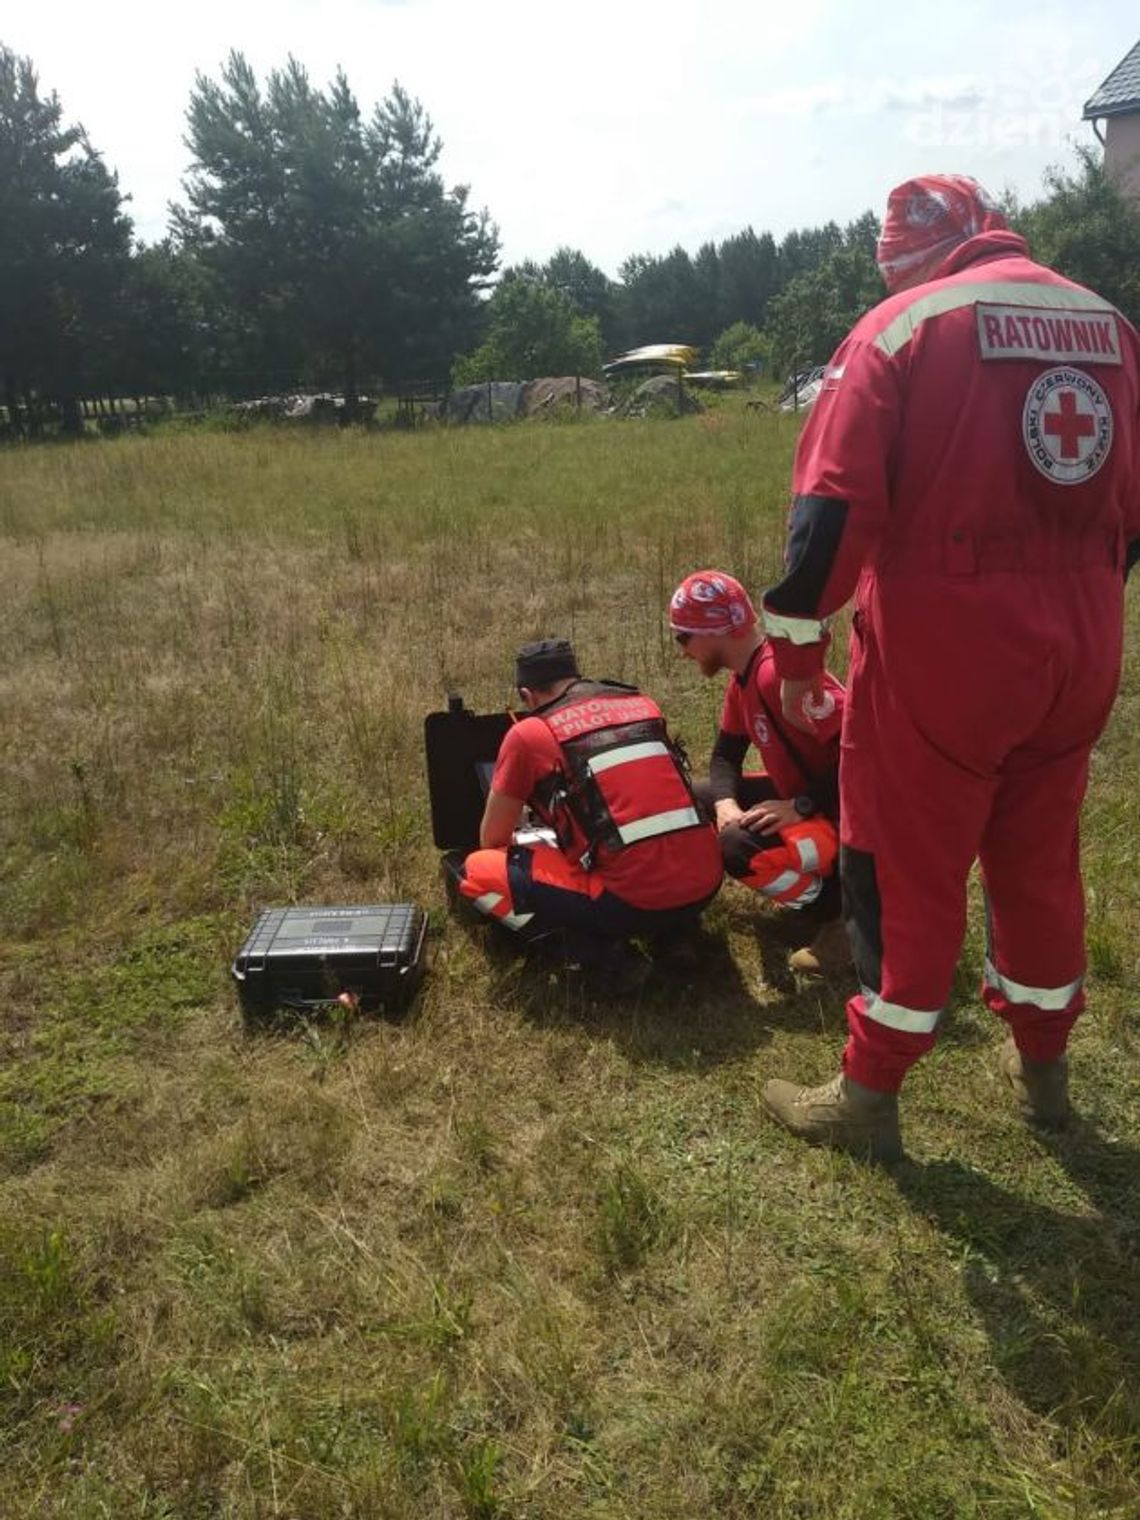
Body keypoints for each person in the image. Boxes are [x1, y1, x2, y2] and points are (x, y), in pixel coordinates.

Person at [757, 173, 1140, 1161]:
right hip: (1084, 642)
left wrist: (798, 653)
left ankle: (869, 1096)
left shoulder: (901, 329)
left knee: (904, 862)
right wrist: (1086, 587)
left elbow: (829, 511)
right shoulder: (1109, 326)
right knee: (1040, 860)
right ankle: (1045, 1076)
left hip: (947, 650)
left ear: (905, 257)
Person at [445, 638, 723, 995]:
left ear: (527, 696)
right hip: (705, 882)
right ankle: (676, 933)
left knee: (479, 868)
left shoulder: (529, 733)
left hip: (629, 902)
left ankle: (603, 956)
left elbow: (493, 839)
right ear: (575, 677)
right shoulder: (642, 704)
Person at [669, 570, 848, 974]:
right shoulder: (744, 680)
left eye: (684, 637)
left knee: (736, 847)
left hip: (853, 811)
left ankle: (844, 915)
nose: (683, 651)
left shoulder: (776, 677)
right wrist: (726, 803)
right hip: (815, 800)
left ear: (715, 631)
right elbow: (724, 757)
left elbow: (867, 753)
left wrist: (801, 805)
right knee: (694, 798)